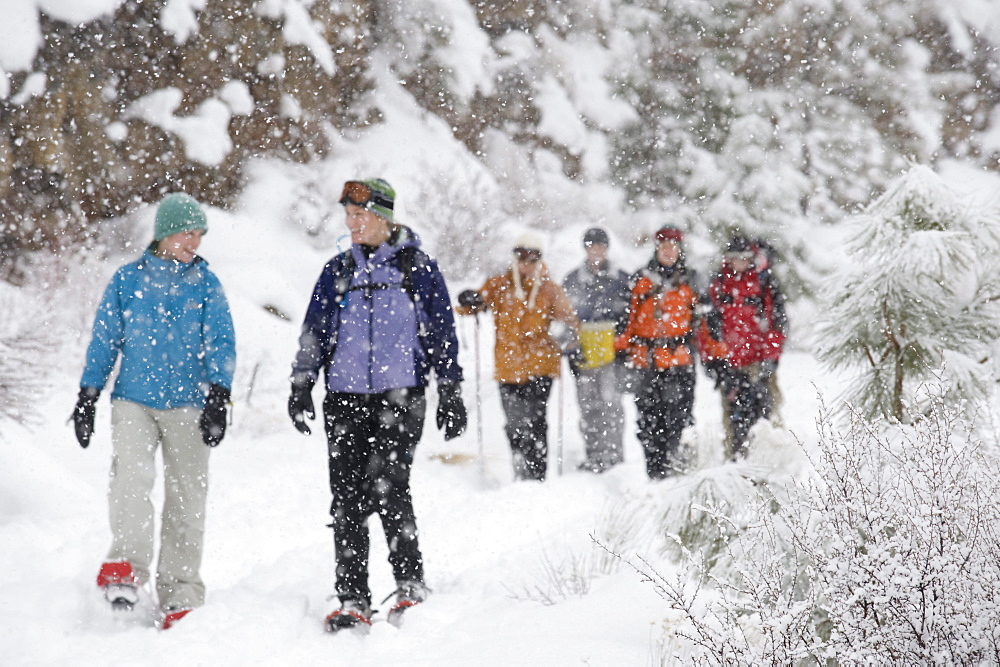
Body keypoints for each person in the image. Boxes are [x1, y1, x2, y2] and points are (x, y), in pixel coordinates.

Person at [287, 178, 467, 633]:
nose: (351, 223)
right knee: (347, 498)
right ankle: (352, 598)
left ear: (383, 219)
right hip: (345, 397)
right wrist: (302, 383)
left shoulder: (416, 269)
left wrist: (450, 390)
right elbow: (314, 331)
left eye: (360, 215)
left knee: (390, 487)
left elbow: (443, 333)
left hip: (400, 396)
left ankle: (410, 586)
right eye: (347, 215)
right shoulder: (338, 271)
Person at [72, 193, 236, 630]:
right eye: (187, 232)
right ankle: (124, 569)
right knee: (131, 477)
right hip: (134, 400)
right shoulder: (127, 281)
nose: (194, 242)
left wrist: (220, 394)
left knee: (187, 497)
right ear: (164, 232)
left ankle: (180, 591)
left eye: (199, 234)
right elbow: (105, 340)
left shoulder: (205, 284)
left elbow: (222, 341)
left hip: (190, 405)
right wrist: (89, 393)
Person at [456, 233, 580, 481]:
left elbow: (570, 321)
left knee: (535, 422)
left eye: (532, 258)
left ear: (539, 260)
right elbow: (473, 306)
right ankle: (520, 471)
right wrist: (470, 299)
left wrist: (564, 331)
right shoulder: (499, 285)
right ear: (514, 258)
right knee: (513, 423)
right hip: (508, 367)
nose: (527, 263)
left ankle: (536, 475)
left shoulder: (549, 289)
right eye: (522, 257)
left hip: (541, 366)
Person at [615, 226, 727, 479]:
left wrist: (717, 358)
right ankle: (655, 475)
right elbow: (626, 322)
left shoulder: (692, 280)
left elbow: (708, 325)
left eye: (673, 246)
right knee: (648, 424)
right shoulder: (640, 280)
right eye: (664, 246)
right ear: (656, 248)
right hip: (647, 363)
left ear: (680, 249)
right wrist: (621, 353)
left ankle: (679, 476)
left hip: (680, 362)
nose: (668, 251)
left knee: (680, 422)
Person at [705, 234, 787, 458]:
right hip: (730, 364)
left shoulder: (764, 283)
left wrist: (769, 358)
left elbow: (777, 324)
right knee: (733, 423)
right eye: (735, 258)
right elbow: (708, 326)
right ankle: (735, 464)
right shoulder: (719, 285)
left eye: (744, 258)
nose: (739, 262)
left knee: (766, 418)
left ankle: (771, 463)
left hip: (758, 362)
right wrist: (711, 359)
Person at [561, 227, 632, 473]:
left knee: (612, 406)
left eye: (601, 246)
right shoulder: (572, 280)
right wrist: (571, 350)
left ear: (607, 248)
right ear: (585, 248)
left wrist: (624, 348)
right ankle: (594, 456)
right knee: (588, 406)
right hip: (585, 355)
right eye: (592, 246)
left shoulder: (622, 280)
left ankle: (614, 458)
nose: (596, 251)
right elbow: (566, 320)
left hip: (613, 356)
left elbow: (631, 319)